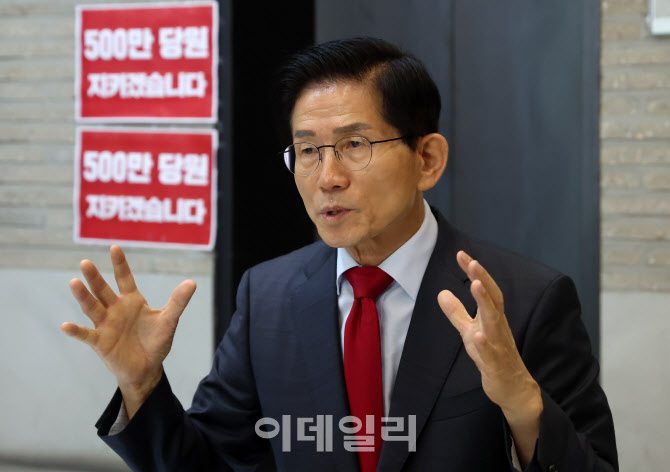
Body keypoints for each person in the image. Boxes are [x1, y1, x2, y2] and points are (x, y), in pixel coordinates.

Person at [62, 37, 617, 471]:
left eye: (355, 145)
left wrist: (523, 404)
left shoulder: (527, 300)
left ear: (427, 159)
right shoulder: (268, 296)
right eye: (307, 150)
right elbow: (211, 462)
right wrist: (141, 386)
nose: (327, 177)